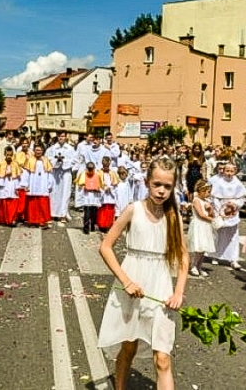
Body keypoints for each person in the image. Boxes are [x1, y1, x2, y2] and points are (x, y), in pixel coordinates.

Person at [98, 158, 188, 389]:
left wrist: (178, 292)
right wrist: (126, 281)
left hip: (161, 286)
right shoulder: (133, 210)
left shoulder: (173, 215)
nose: (161, 190)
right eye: (157, 184)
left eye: (167, 186)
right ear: (147, 182)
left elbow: (183, 256)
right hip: (133, 282)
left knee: (163, 356)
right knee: (129, 346)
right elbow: (105, 246)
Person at [209, 162, 246, 269]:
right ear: (223, 171)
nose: (229, 173)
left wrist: (235, 204)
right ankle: (215, 255)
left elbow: (242, 198)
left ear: (235, 171)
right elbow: (214, 198)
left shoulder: (237, 183)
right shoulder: (219, 183)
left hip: (233, 211)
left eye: (232, 171)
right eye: (227, 171)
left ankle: (233, 259)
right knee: (218, 234)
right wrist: (219, 211)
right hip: (221, 210)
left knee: (233, 236)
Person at [187, 180, 216, 278]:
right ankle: (193, 266)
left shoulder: (207, 201)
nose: (209, 193)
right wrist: (212, 220)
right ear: (201, 190)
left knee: (203, 248)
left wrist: (210, 209)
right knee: (198, 247)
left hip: (206, 226)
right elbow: (201, 214)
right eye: (208, 191)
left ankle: (199, 266)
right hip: (199, 225)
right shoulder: (196, 200)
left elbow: (212, 213)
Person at [47, 131, 76, 225]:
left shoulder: (70, 149)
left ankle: (63, 214)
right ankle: (53, 213)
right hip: (55, 172)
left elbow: (75, 160)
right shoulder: (52, 148)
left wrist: (64, 162)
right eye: (59, 136)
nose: (61, 138)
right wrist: (56, 160)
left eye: (63, 136)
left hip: (65, 172)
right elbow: (48, 159)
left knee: (65, 193)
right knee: (54, 193)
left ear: (66, 137)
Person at [0, 147, 22, 226]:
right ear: (5, 154)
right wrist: (5, 174)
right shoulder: (0, 164)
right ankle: (4, 219)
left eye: (10, 155)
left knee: (13, 202)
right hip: (4, 184)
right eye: (7, 155)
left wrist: (18, 186)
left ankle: (12, 219)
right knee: (4, 202)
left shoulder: (15, 164)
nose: (9, 156)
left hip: (12, 184)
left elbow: (19, 176)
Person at [76, 162, 102, 234]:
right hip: (87, 196)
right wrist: (84, 187)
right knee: (87, 213)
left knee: (94, 213)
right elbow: (80, 186)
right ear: (86, 168)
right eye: (89, 169)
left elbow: (101, 186)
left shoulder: (97, 175)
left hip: (94, 197)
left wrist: (97, 189)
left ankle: (93, 224)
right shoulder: (83, 175)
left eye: (92, 169)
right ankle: (86, 227)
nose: (90, 171)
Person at [97, 156, 120, 232]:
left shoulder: (112, 173)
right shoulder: (99, 172)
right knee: (103, 209)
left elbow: (116, 184)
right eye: (104, 166)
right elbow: (97, 184)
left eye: (107, 166)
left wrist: (111, 188)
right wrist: (103, 188)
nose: (106, 167)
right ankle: (102, 225)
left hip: (110, 194)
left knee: (110, 209)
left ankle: (108, 225)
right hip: (103, 194)